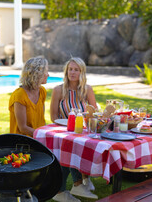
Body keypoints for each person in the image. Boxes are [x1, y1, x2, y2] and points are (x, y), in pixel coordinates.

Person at [50, 57, 98, 202]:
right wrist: (67, 125)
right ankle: (72, 186)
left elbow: (93, 113)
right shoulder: (58, 90)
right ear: (66, 71)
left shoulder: (87, 90)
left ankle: (83, 180)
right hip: (63, 131)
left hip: (83, 131)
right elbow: (53, 116)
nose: (72, 72)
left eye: (76, 70)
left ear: (81, 72)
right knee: (70, 148)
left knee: (85, 147)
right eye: (70, 69)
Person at [9, 56, 49, 137]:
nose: (48, 74)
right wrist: (43, 135)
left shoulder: (42, 91)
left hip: (37, 139)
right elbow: (23, 128)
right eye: (46, 71)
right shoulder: (20, 95)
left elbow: (41, 120)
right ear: (38, 74)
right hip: (21, 143)